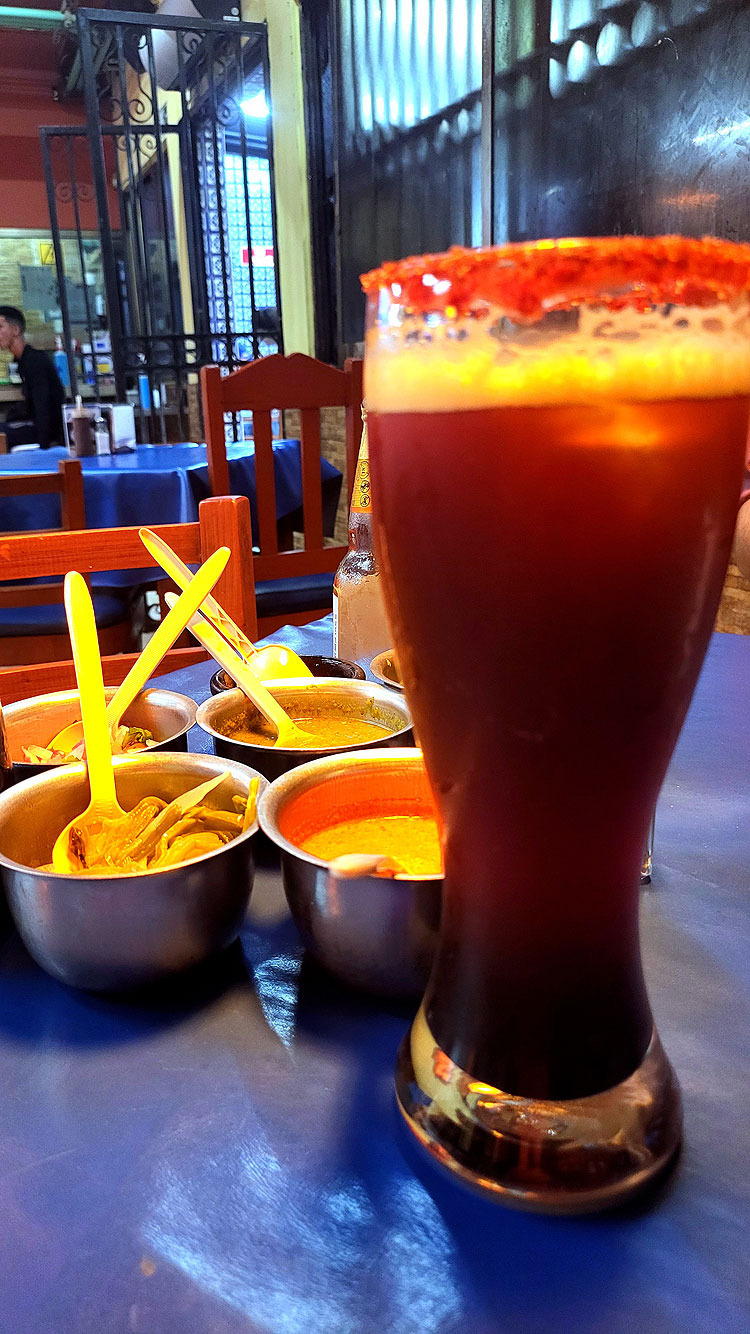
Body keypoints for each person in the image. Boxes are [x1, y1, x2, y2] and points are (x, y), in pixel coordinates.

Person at [0, 306, 65, 449]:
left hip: (45, 431)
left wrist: (44, 449)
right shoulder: (22, 361)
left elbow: (42, 405)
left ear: (16, 330)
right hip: (33, 424)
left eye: (0, 327)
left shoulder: (35, 361)